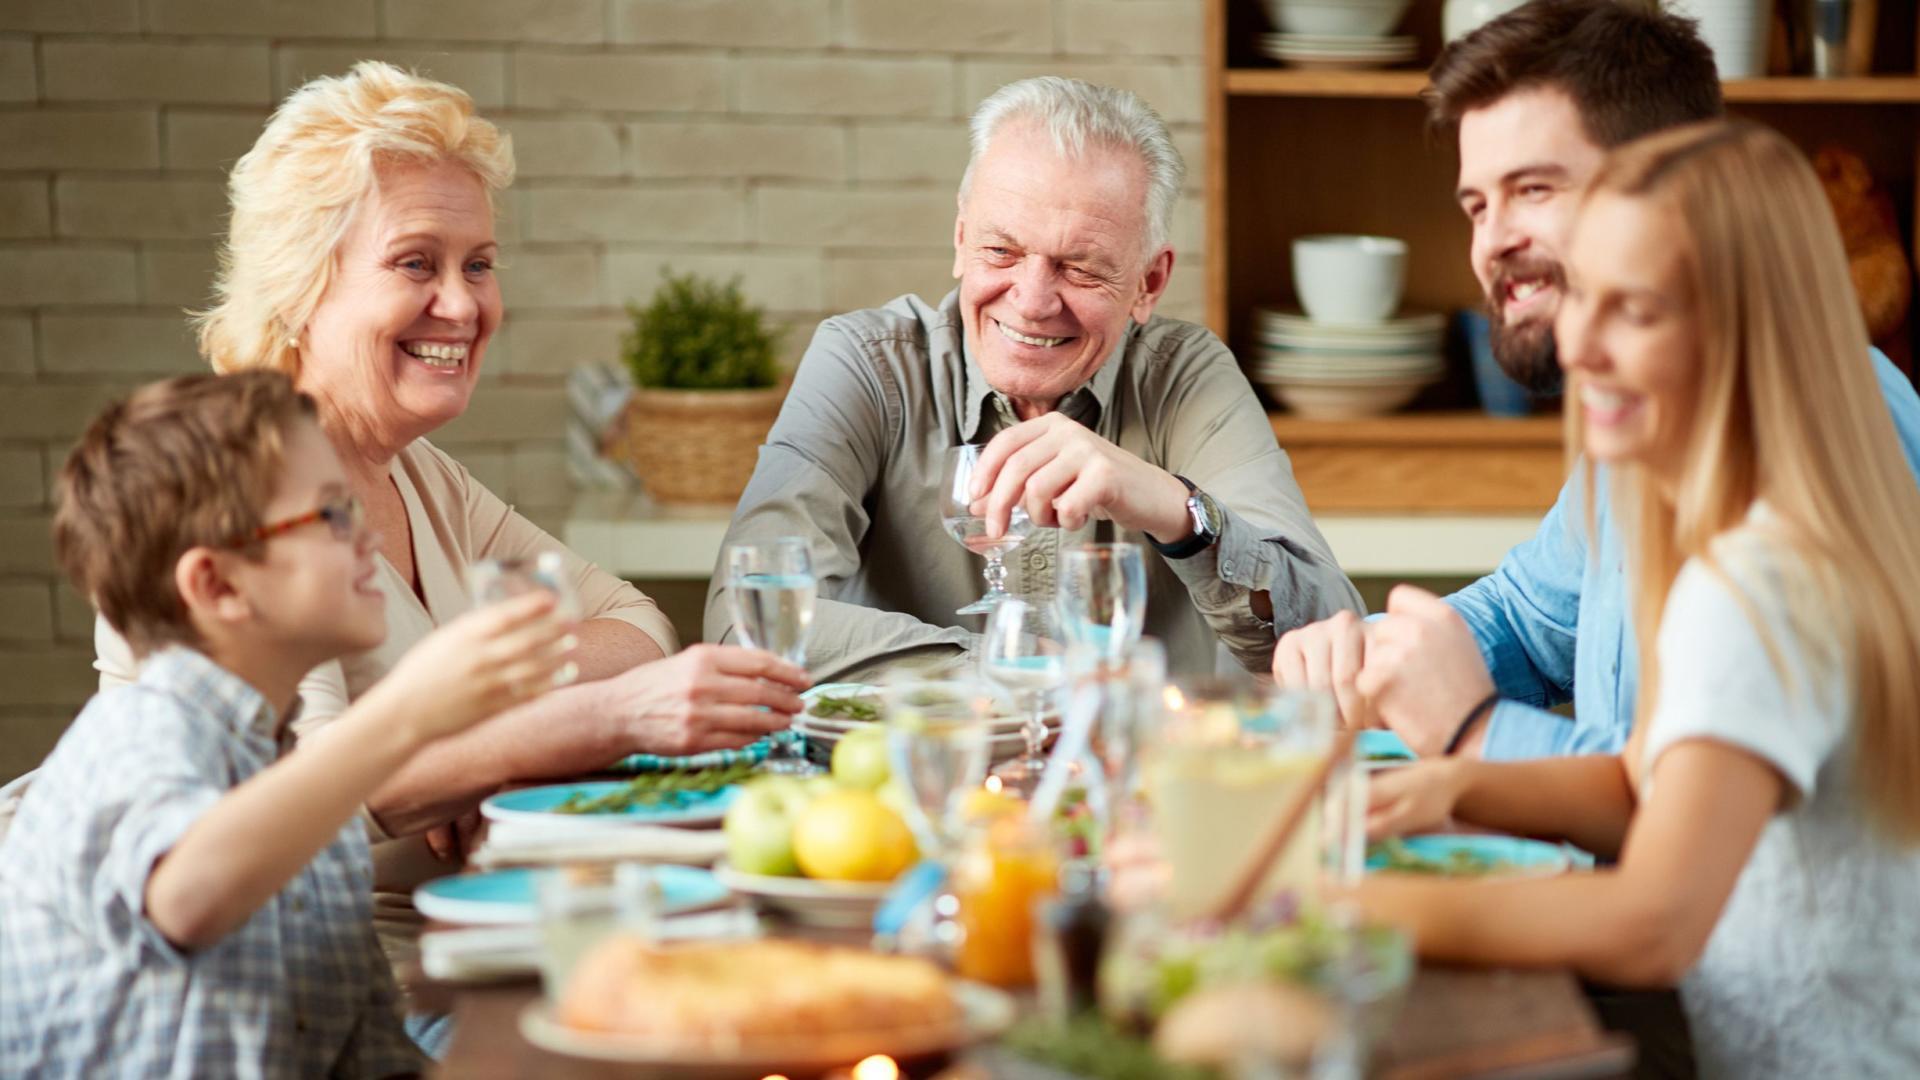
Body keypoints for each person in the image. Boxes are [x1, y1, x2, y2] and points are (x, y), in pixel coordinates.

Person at [82, 62, 811, 1038]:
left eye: (479, 265)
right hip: (341, 997)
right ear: (301, 288)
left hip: (484, 937)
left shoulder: (419, 475)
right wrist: (576, 723)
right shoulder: (229, 491)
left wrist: (487, 743)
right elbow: (323, 790)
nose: (463, 307)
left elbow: (636, 624)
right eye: (417, 264)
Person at [1356, 119, 1920, 1079]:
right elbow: (1648, 786)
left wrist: (1336, 912)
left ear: (1749, 336)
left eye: (1639, 311)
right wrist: (1456, 783)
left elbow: (1654, 924)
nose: (1579, 343)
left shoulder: (1762, 580)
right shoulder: (1747, 527)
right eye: (1583, 295)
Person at [1270, 0, 1920, 758]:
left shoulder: (1824, 433)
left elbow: (1702, 792)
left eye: (1534, 189)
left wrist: (1474, 732)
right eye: (1477, 206)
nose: (1491, 242)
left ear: (1664, 185)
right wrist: (1372, 654)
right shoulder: (1646, 414)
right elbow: (1527, 622)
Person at [0, 371, 573, 1076]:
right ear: (218, 585)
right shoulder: (135, 735)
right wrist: (410, 711)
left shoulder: (293, 788)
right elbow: (189, 896)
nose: (369, 539)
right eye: (332, 514)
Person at [707, 76, 1360, 678]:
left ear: (1149, 282)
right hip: (908, 760)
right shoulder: (867, 364)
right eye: (1001, 251)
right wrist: (1011, 670)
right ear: (961, 239)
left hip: (1136, 765)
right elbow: (747, 623)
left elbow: (1330, 637)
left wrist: (1178, 510)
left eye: (1081, 268)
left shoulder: (1186, 376)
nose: (1032, 300)